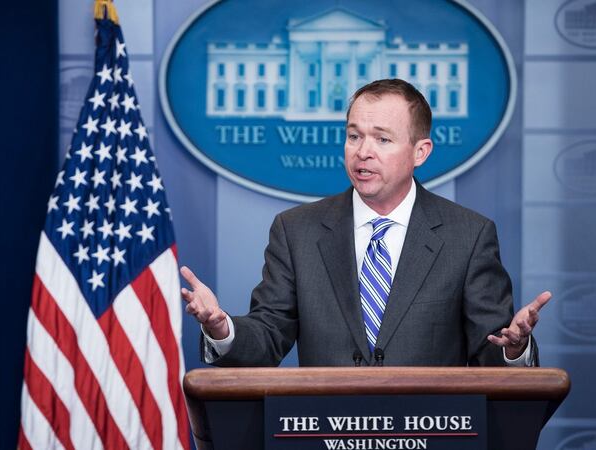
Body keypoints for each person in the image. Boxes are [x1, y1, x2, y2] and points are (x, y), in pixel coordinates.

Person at [181, 79, 551, 367]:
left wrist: (514, 348)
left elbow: (491, 352)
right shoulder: (297, 231)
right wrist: (221, 328)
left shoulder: (468, 236)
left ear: (420, 152)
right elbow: (268, 334)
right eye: (354, 136)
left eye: (382, 139)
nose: (362, 151)